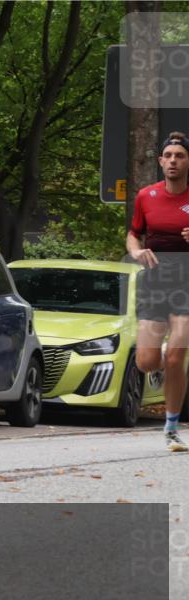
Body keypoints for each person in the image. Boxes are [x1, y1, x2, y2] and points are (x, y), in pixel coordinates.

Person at [127, 130, 189, 453]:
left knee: (177, 356)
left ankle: (171, 428)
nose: (173, 161)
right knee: (147, 362)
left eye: (180, 155)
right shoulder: (145, 197)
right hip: (155, 281)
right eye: (169, 156)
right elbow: (133, 235)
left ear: (188, 161)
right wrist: (136, 252)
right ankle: (159, 358)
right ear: (160, 161)